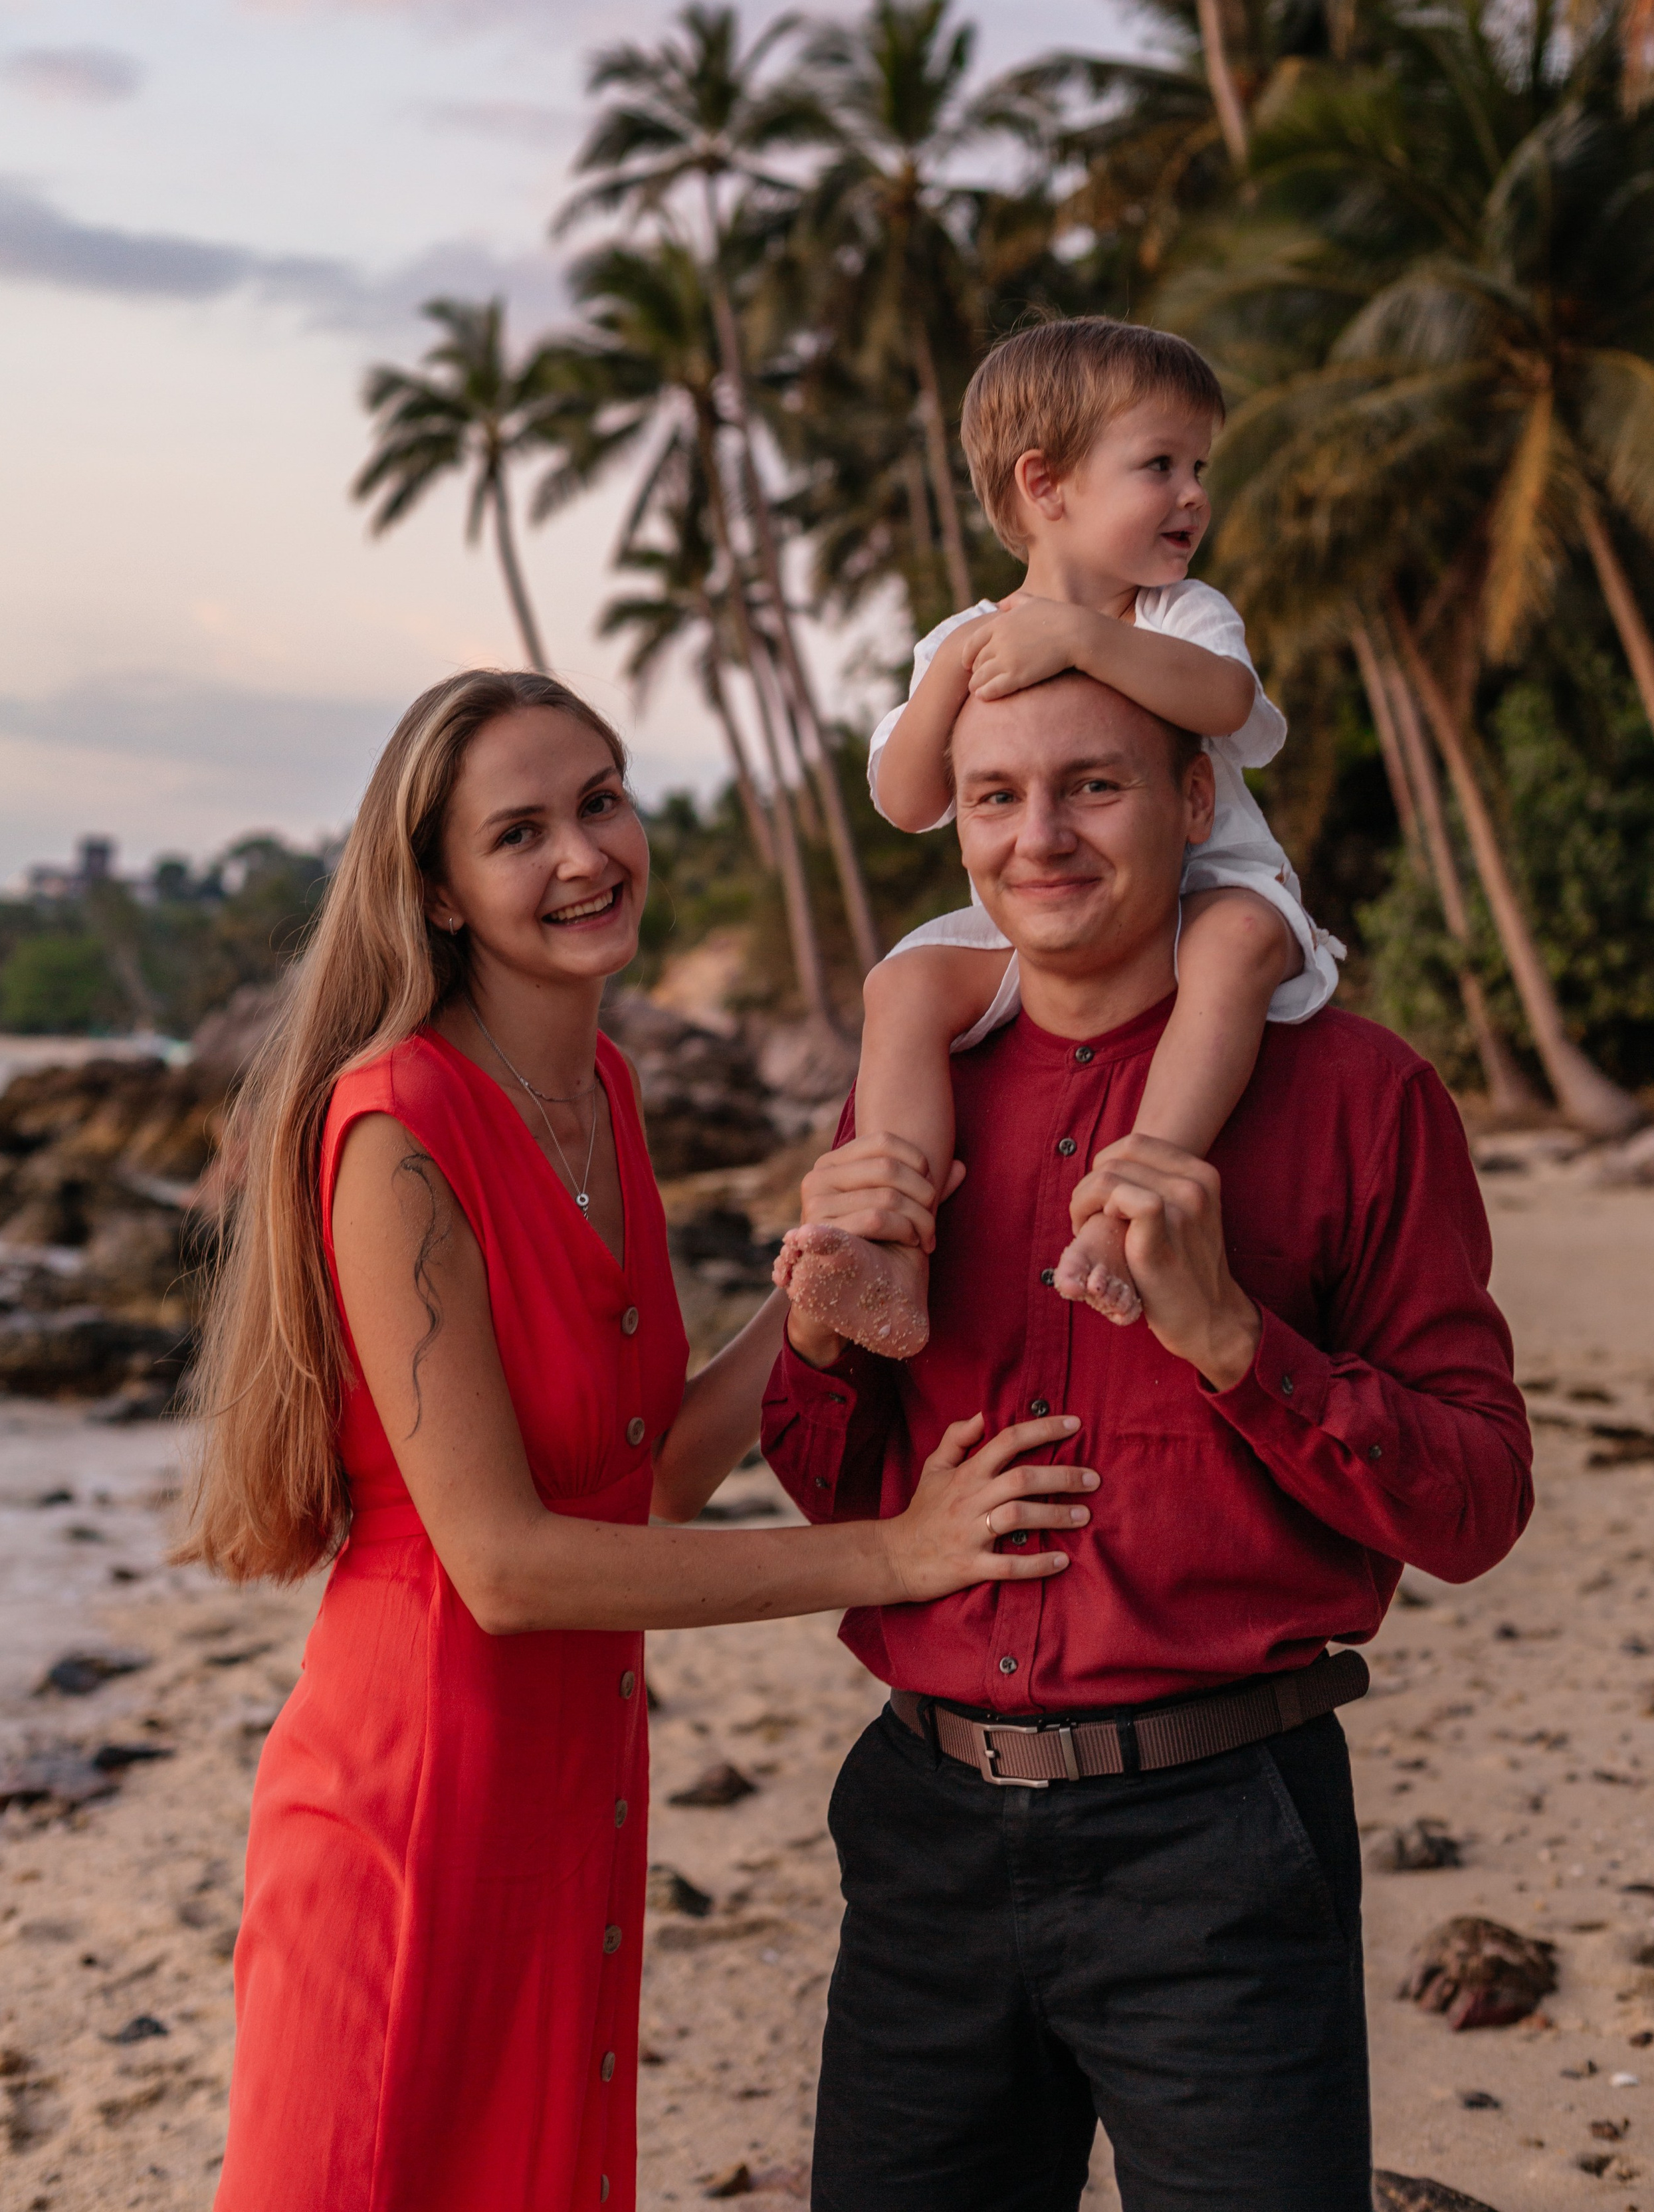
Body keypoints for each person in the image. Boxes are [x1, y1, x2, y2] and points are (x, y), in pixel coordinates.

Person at [175, 668, 1093, 2212]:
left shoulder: (599, 1085)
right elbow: (508, 1569)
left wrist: (797, 1302)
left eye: (598, 801)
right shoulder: (398, 1129)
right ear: (443, 892)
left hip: (570, 1780)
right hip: (415, 1802)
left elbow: (643, 1478)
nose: (583, 855)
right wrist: (894, 1555)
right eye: (518, 832)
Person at [763, 664, 1532, 2212]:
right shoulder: (907, 1101)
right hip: (921, 1834)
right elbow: (825, 1476)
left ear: (1196, 804)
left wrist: (1236, 1344)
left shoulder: (1359, 1096)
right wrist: (815, 1331)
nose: (1036, 838)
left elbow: (1476, 1502)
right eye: (995, 797)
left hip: (1217, 1842)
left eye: (1092, 787)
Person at [774, 316, 1344, 1361]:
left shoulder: (1179, 614)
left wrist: (1088, 638)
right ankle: (892, 1238)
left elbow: (1226, 702)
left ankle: (1130, 1203)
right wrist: (954, 672)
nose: (1193, 495)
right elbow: (906, 800)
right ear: (1048, 486)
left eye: (1199, 467)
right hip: (1046, 910)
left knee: (1241, 945)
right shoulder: (963, 639)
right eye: (1159, 465)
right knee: (902, 987)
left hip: (1207, 881)